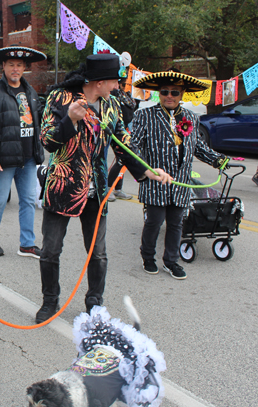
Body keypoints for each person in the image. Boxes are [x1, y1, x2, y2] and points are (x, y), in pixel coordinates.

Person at [35, 54, 171, 323]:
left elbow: (124, 143)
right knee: (51, 249)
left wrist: (147, 170)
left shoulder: (111, 106)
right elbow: (47, 141)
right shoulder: (61, 98)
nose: (118, 86)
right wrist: (70, 121)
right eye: (115, 81)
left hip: (96, 190)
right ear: (99, 82)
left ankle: (95, 302)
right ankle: (50, 301)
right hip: (63, 186)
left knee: (98, 251)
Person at [130, 69, 228, 280]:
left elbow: (199, 148)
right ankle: (148, 257)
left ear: (182, 93)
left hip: (181, 184)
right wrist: (146, 171)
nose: (169, 96)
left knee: (177, 224)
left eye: (174, 92)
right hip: (155, 182)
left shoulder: (191, 117)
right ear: (159, 93)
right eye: (165, 91)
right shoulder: (144, 115)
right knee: (154, 222)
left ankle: (171, 261)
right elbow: (133, 148)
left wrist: (220, 160)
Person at [0, 46, 47, 258]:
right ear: (4, 67)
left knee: (28, 201)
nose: (15, 69)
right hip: (4, 159)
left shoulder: (30, 92)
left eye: (19, 65)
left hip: (28, 158)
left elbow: (39, 121)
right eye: (11, 65)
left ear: (24, 67)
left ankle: (27, 244)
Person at [107, 78, 140, 202]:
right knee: (121, 160)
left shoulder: (127, 95)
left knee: (122, 160)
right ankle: (109, 188)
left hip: (125, 129)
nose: (126, 85)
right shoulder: (114, 94)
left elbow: (133, 108)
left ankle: (117, 189)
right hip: (114, 130)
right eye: (124, 83)